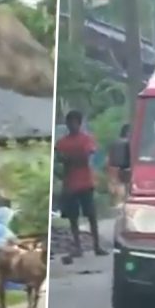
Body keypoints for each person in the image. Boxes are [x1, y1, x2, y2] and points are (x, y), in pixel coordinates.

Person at [55, 110, 108, 259]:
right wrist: (75, 158)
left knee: (91, 216)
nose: (72, 125)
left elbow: (84, 156)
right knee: (73, 218)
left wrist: (70, 159)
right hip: (71, 185)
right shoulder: (63, 142)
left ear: (79, 123)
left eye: (75, 122)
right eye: (70, 122)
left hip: (85, 183)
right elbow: (62, 159)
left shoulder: (86, 139)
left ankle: (97, 246)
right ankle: (78, 247)